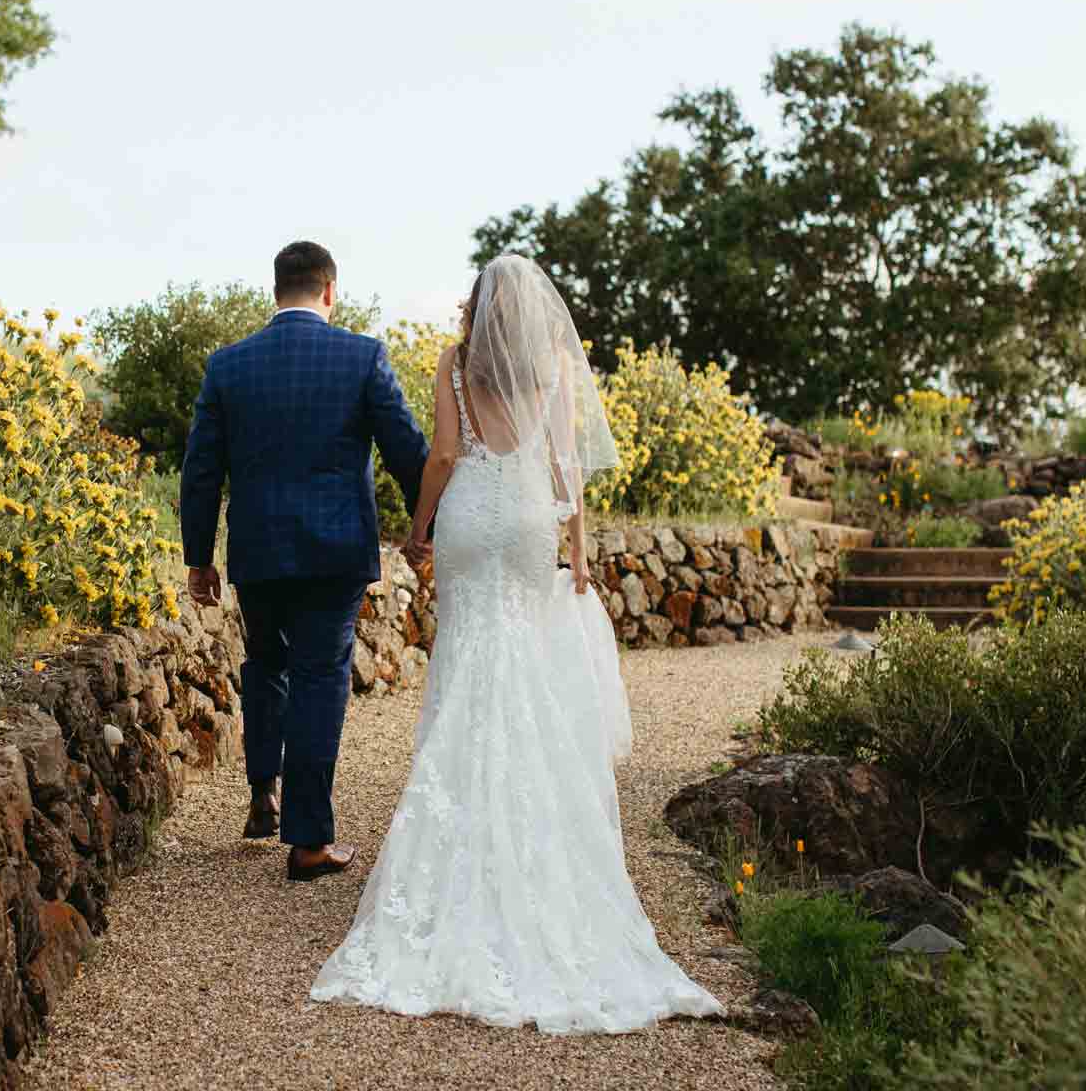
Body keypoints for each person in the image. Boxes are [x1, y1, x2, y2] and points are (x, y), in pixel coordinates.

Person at [308, 253, 724, 1032]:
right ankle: (538, 855)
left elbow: (440, 455)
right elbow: (567, 469)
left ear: (476, 306)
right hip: (532, 519)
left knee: (467, 669)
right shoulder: (555, 367)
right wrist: (580, 551)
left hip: (470, 520)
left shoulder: (456, 363)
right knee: (524, 667)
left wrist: (419, 527)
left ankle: (455, 855)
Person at [179, 240, 432, 882]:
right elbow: (407, 451)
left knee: (267, 664)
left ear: (275, 292)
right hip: (334, 550)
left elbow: (201, 471)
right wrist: (426, 527)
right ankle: (310, 842)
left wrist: (199, 558)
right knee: (320, 677)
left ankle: (264, 794)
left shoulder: (228, 366)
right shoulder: (362, 356)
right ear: (329, 291)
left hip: (259, 552)